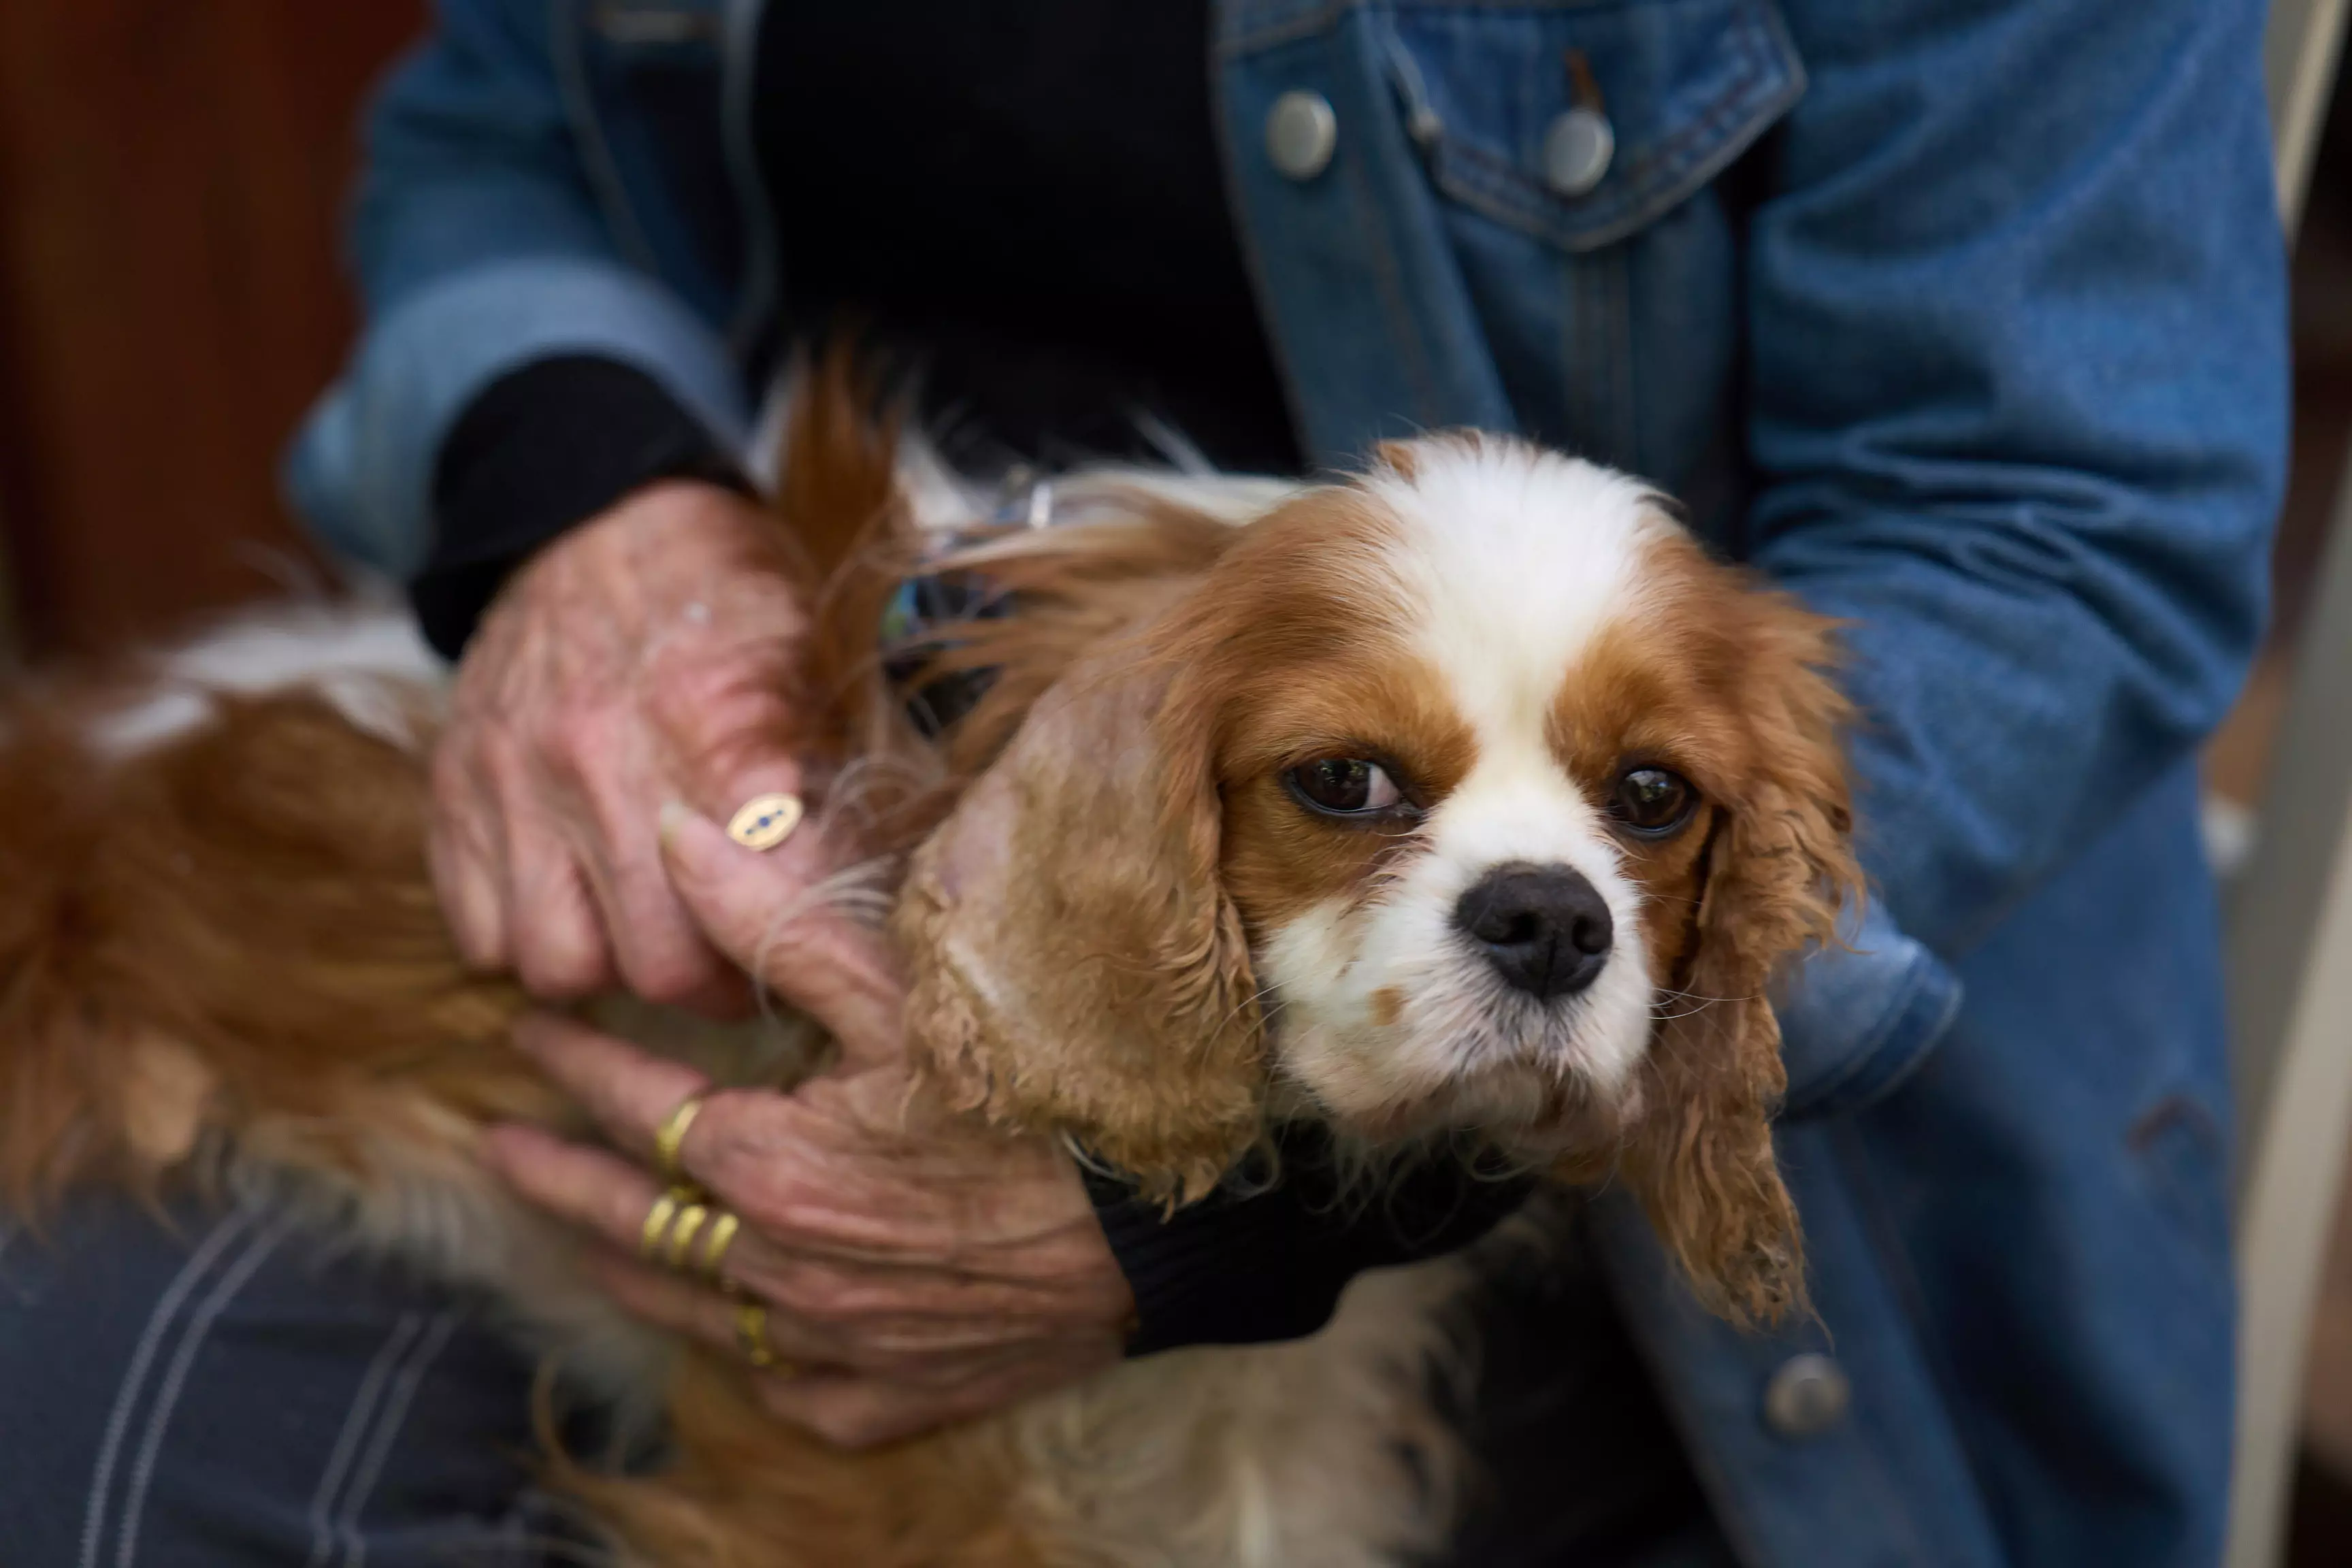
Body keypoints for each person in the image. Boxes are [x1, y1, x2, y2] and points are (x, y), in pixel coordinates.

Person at [0, 1, 2285, 1563]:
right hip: (752, 886)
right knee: (86, 1454)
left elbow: (2063, 530)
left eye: (1643, 807)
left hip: (1712, 1204)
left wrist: (1220, 1209)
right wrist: (584, 493)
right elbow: (503, 136)